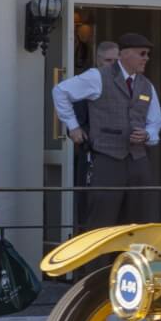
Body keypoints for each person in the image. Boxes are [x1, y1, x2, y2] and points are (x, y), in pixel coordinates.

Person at [53, 32, 161, 229]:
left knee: (139, 218)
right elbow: (60, 91)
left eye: (147, 54)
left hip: (138, 159)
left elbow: (156, 120)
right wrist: (73, 126)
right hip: (107, 158)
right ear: (126, 53)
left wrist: (148, 134)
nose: (146, 58)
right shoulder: (98, 76)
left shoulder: (146, 85)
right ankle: (100, 251)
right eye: (142, 53)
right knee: (102, 219)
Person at [71, 41, 120, 227]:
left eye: (116, 61)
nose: (112, 65)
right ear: (98, 60)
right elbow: (78, 123)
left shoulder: (127, 84)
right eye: (108, 60)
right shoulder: (87, 83)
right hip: (94, 155)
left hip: (121, 155)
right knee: (92, 207)